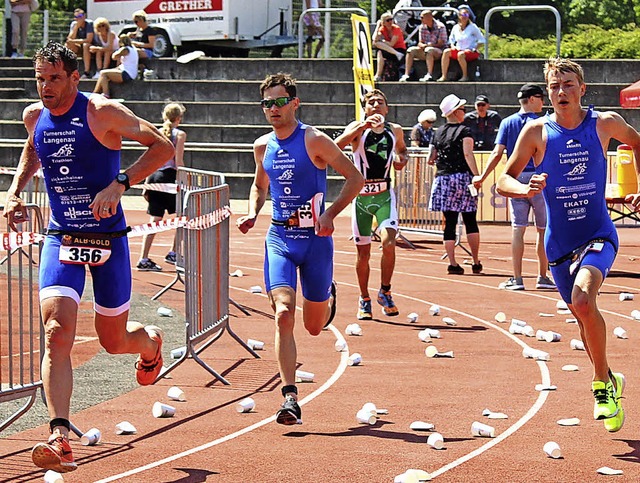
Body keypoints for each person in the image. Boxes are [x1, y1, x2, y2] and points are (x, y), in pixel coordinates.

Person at [2, 41, 174, 473]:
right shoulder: (35, 117)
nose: (45, 87)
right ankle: (59, 434)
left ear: (74, 78)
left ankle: (150, 342)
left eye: (54, 78)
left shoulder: (102, 111)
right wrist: (14, 190)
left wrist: (121, 181)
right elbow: (33, 149)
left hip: (108, 241)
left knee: (113, 341)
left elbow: (163, 147)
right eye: (39, 79)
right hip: (62, 236)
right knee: (56, 332)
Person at [497, 57, 640, 433]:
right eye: (554, 86)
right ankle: (609, 377)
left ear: (582, 89)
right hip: (559, 243)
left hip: (598, 234)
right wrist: (524, 188)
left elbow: (638, 142)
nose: (561, 91)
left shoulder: (603, 123)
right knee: (582, 315)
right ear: (547, 93)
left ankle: (599, 387)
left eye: (568, 84)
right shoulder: (535, 132)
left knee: (582, 299)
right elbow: (504, 180)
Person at [236, 73, 364, 425]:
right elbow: (259, 186)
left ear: (295, 102)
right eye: (266, 103)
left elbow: (355, 179)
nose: (272, 109)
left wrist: (330, 213)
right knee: (282, 314)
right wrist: (252, 212)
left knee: (313, 326)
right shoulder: (262, 146)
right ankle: (289, 397)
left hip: (315, 241)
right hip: (279, 238)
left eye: (279, 102)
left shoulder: (315, 140)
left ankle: (328, 299)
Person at [335, 89, 409, 319]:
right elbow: (335, 146)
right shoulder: (357, 128)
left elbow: (403, 151)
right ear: (365, 109)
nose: (376, 105)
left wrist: (401, 161)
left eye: (380, 102)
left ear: (387, 108)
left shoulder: (394, 130)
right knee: (363, 254)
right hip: (361, 199)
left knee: (389, 242)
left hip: (385, 195)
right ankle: (364, 297)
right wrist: (361, 127)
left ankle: (385, 290)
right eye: (371, 102)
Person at [473, 84, 555, 291]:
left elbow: (497, 153)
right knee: (542, 229)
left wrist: (483, 176)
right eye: (541, 97)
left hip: (515, 179)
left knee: (518, 229)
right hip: (538, 179)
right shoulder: (542, 122)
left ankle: (517, 278)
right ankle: (542, 276)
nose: (544, 101)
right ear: (532, 99)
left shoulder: (508, 122)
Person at [428, 93, 483, 274]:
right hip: (462, 178)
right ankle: (475, 261)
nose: (464, 112)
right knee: (470, 220)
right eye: (462, 109)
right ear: (455, 112)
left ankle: (452, 263)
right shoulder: (465, 131)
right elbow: (468, 154)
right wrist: (477, 176)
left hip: (443, 179)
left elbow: (431, 158)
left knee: (449, 222)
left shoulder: (437, 132)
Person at [137, 103, 186, 270]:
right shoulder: (179, 135)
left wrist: (146, 183)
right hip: (169, 178)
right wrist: (184, 181)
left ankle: (143, 258)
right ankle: (173, 252)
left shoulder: (156, 132)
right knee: (182, 217)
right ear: (178, 118)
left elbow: (148, 159)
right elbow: (178, 162)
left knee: (154, 220)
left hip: (154, 178)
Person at [399, 10, 447, 82]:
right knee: (410, 51)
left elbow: (442, 43)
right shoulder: (422, 27)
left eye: (422, 17)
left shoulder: (440, 26)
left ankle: (429, 74)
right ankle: (406, 74)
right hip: (425, 49)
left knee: (429, 50)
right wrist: (423, 45)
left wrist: (431, 45)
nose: (420, 19)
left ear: (429, 17)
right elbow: (420, 42)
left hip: (439, 51)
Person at [437, 6, 484, 82]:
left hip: (470, 51)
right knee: (446, 52)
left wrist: (474, 48)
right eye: (463, 15)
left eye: (466, 15)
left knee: (461, 54)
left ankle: (465, 76)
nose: (465, 17)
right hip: (459, 49)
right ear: (459, 16)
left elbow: (482, 40)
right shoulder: (455, 27)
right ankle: (444, 76)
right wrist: (452, 46)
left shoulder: (473, 27)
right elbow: (451, 39)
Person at [373, 12, 407, 82]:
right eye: (388, 20)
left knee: (379, 47)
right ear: (383, 22)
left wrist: (382, 41)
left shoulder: (396, 29)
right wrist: (377, 26)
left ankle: (378, 75)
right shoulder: (382, 29)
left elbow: (392, 44)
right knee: (378, 49)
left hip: (399, 50)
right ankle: (378, 75)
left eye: (391, 19)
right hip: (393, 51)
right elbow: (375, 39)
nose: (390, 22)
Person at [65, 8, 95, 79]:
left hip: (90, 47)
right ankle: (69, 69)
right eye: (76, 17)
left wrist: (74, 41)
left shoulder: (89, 24)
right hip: (79, 47)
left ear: (84, 16)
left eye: (80, 16)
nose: (78, 19)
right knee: (68, 45)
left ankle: (86, 72)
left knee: (85, 45)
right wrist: (76, 28)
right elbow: (69, 39)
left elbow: (89, 40)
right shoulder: (74, 24)